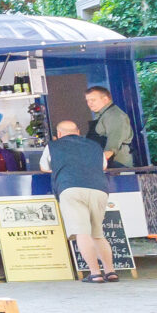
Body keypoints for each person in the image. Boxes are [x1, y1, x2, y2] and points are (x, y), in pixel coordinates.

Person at [48, 118, 117, 281]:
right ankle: (111, 272)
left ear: (59, 134)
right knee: (98, 234)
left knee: (82, 232)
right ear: (78, 132)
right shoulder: (95, 146)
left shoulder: (52, 146)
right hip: (99, 189)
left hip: (71, 188)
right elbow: (103, 166)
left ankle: (95, 274)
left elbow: (45, 167)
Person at [84, 84, 137, 168]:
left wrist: (97, 165)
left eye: (93, 100)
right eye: (87, 101)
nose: (89, 103)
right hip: (106, 163)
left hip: (117, 165)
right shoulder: (102, 114)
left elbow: (112, 148)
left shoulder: (115, 115)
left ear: (105, 99)